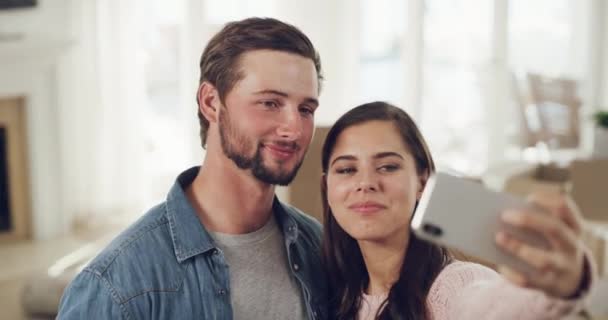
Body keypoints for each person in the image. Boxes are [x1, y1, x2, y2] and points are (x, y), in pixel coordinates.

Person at [58, 17, 327, 320]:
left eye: (306, 109)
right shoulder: (116, 284)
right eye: (270, 103)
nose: (294, 128)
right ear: (211, 102)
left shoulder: (319, 247)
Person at [320, 101, 595, 320]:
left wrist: (563, 285)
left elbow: (502, 308)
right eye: (346, 170)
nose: (366, 183)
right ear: (328, 188)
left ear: (422, 182)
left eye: (388, 166)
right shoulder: (335, 295)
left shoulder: (457, 285)